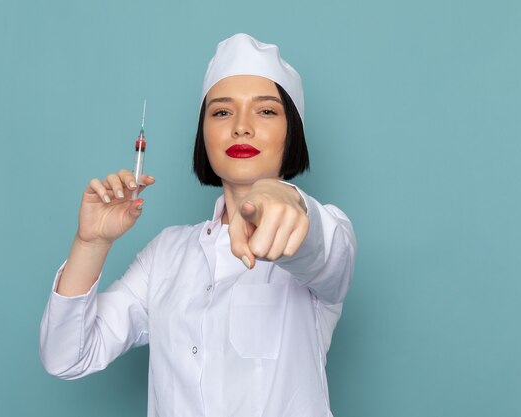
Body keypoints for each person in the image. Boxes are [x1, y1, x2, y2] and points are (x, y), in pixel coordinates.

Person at [40, 33, 356, 417]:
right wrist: (90, 242)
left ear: (292, 132)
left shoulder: (323, 231)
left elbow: (323, 250)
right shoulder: (165, 255)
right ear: (203, 133)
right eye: (222, 112)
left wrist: (290, 201)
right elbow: (67, 357)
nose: (241, 127)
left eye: (266, 111)